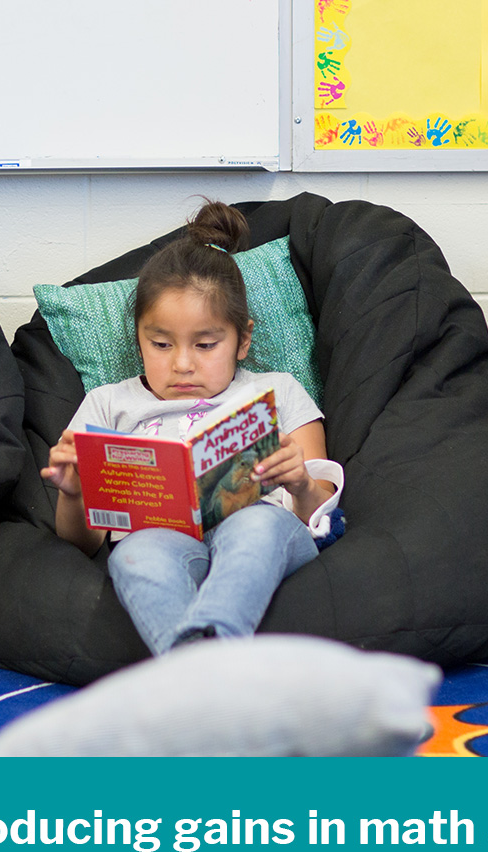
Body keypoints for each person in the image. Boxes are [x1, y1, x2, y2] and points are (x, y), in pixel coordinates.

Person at [41, 200, 345, 655]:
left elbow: (321, 514)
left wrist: (301, 483)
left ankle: (210, 649)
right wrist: (74, 492)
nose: (182, 364)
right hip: (159, 539)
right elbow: (81, 544)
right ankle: (199, 667)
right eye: (161, 344)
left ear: (242, 340)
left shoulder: (277, 391)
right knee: (134, 556)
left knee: (257, 528)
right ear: (138, 340)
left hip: (261, 529)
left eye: (205, 345)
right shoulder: (107, 405)